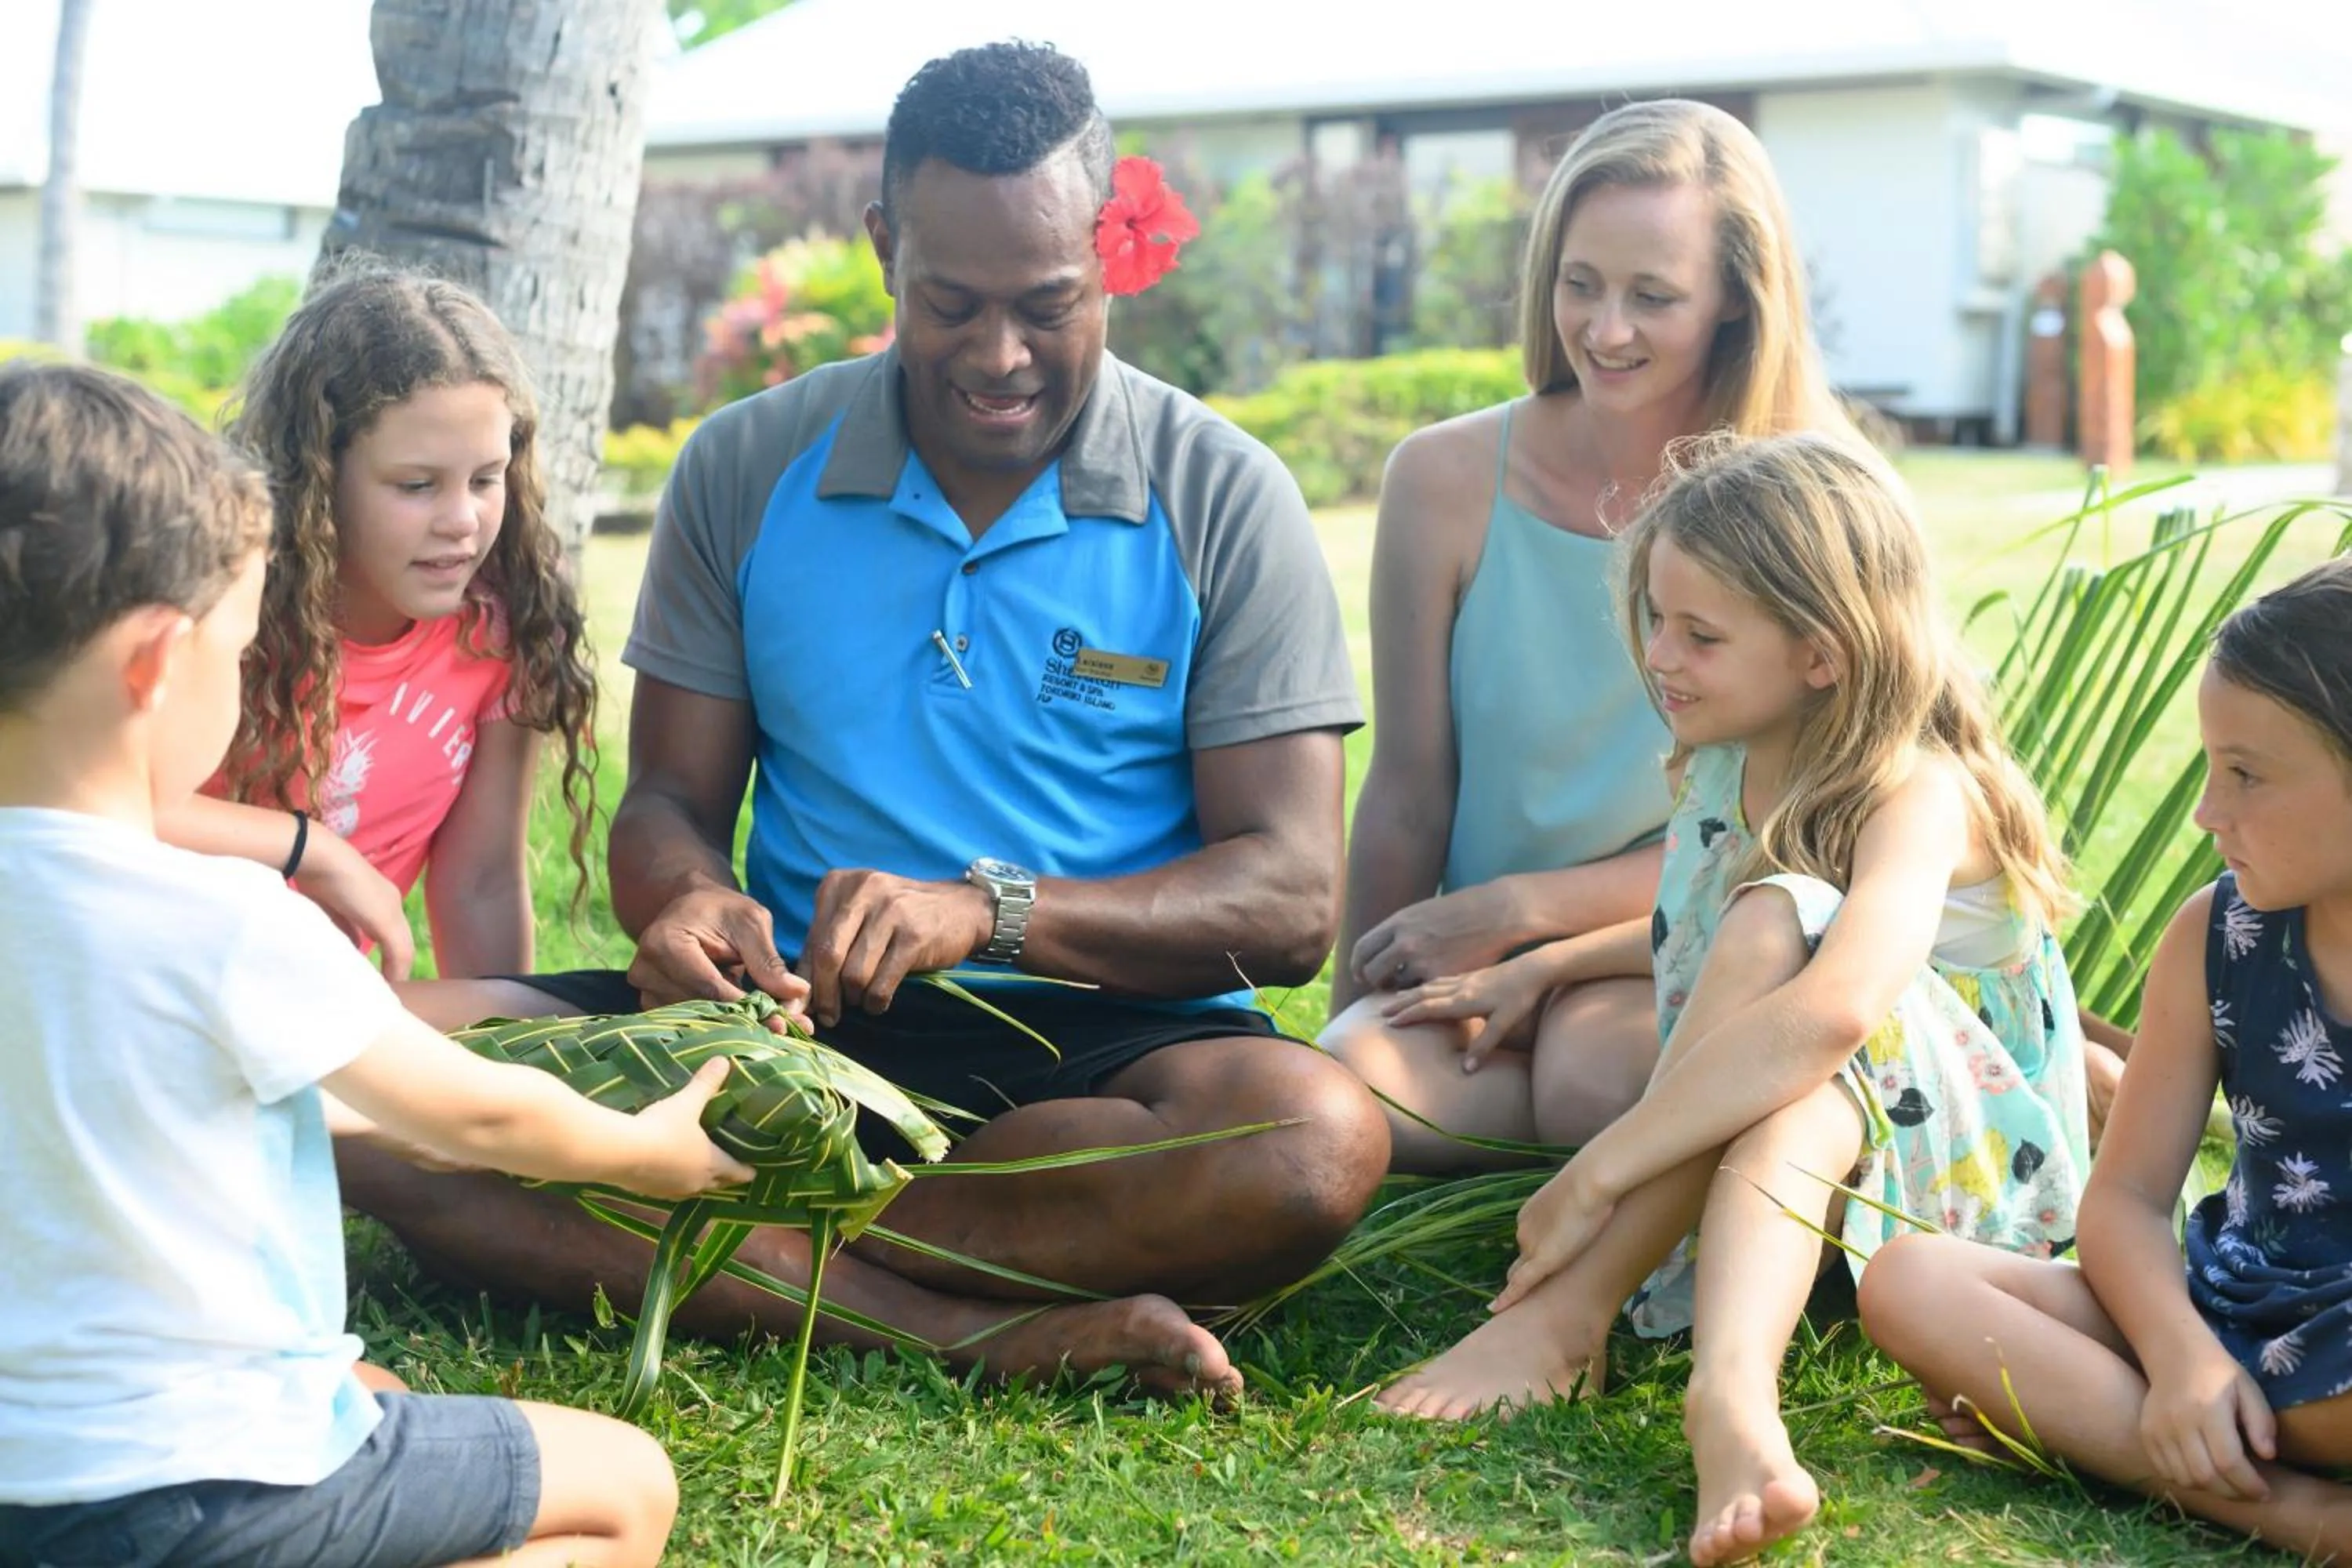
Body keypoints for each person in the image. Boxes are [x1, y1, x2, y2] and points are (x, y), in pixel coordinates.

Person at [339, 40, 1389, 1400]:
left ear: (1112, 258)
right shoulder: (746, 465)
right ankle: (962, 1325)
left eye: (1047, 305)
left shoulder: (1224, 495)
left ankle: (698, 1226)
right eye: (950, 303)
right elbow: (668, 806)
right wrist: (690, 902)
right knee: (350, 1071)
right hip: (791, 1037)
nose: (999, 356)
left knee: (1310, 1143)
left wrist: (989, 913)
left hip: (1110, 1054)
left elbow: (1293, 900)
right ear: (886, 246)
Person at [0, 362, 753, 1568]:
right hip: (209, 1485)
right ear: (153, 665)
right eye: (237, 650)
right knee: (627, 1487)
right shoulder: (228, 920)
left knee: (383, 1386)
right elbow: (478, 1113)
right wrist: (645, 1149)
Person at [1374, 432, 2090, 1568]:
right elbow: (1697, 930)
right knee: (1788, 1062)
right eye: (1658, 618)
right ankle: (1732, 1399)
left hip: (1971, 1190)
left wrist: (1599, 1166)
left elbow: (1840, 1002)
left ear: (1823, 653)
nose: (1662, 656)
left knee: (1781, 938)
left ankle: (1574, 1318)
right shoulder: (1735, 753)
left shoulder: (1920, 791)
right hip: (1822, 1140)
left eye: (1701, 635)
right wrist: (1550, 965)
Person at [1319, 100, 1866, 1172]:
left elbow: (1813, 824)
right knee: (1358, 1083)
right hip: (1478, 968)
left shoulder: (1817, 495)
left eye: (1652, 296)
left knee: (1587, 1082)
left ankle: (1673, 1128)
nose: (1606, 331)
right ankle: (1665, 1137)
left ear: (1732, 303)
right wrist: (1346, 1021)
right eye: (1582, 284)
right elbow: (1408, 787)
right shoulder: (1439, 479)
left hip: (1695, 956)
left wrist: (1525, 912)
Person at [1859, 557, 2352, 1563]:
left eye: (2247, 773)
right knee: (1910, 1281)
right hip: (2225, 1311)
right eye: (2212, 767)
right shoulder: (2217, 936)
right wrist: (2180, 1361)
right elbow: (2125, 1199)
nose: (2209, 812)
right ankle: (2293, 1512)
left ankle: (2103, 1431)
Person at [165, 257, 600, 996]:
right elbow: (89, 810)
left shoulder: (501, 630)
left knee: (548, 1013)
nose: (462, 521)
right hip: (161, 994)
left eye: (487, 478)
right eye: (417, 485)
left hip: (329, 1014)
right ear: (318, 475)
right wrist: (313, 850)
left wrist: (508, 1060)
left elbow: (483, 882)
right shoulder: (225, 611)